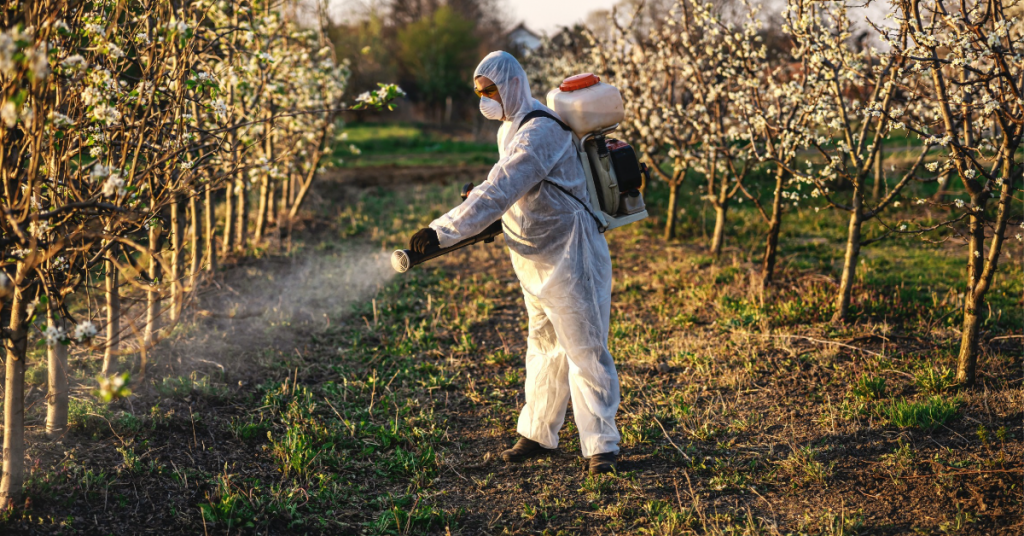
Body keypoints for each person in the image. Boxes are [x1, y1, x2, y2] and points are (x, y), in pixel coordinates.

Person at [408, 51, 621, 474]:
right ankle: (539, 433)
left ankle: (602, 446)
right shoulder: (511, 128)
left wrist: (442, 230)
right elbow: (500, 182)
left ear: (512, 86)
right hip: (535, 258)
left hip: (570, 253)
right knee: (543, 348)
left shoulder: (540, 129)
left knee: (584, 349)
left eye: (490, 91)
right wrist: (475, 207)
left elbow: (503, 187)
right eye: (479, 93)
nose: (485, 99)